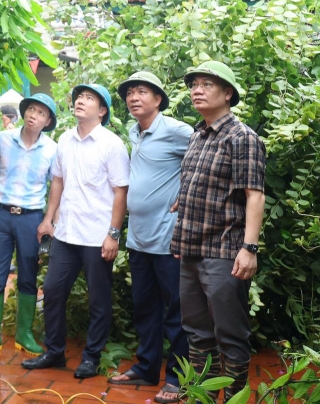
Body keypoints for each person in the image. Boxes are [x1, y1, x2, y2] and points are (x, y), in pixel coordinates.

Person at [172, 61, 265, 401]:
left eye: (206, 84)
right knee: (197, 334)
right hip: (191, 250)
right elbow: (201, 186)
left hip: (224, 252)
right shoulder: (198, 135)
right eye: (194, 84)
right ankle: (204, 397)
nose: (197, 90)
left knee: (230, 336)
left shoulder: (242, 138)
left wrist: (249, 249)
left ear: (227, 93)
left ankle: (235, 398)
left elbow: (255, 195)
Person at [25, 84, 129, 379]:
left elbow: (121, 192)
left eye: (89, 98)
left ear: (102, 110)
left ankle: (91, 358)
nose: (80, 101)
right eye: (79, 97)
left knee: (99, 299)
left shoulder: (111, 144)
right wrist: (49, 219)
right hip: (66, 233)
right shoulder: (65, 139)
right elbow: (58, 181)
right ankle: (55, 351)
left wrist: (113, 234)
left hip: (97, 236)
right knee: (53, 290)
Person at [107, 72, 192, 403]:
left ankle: (178, 379)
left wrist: (187, 193)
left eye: (141, 91)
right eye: (130, 92)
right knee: (145, 308)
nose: (133, 97)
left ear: (158, 99)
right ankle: (146, 367)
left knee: (177, 313)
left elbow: (205, 157)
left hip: (169, 241)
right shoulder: (135, 131)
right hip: (138, 240)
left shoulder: (176, 131)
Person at [0, 93, 59, 357]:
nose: (34, 115)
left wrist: (48, 219)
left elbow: (57, 185)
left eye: (41, 113)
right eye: (31, 109)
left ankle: (24, 334)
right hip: (1, 215)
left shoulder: (52, 149)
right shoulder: (2, 139)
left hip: (31, 219)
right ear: (24, 112)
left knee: (28, 276)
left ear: (48, 121)